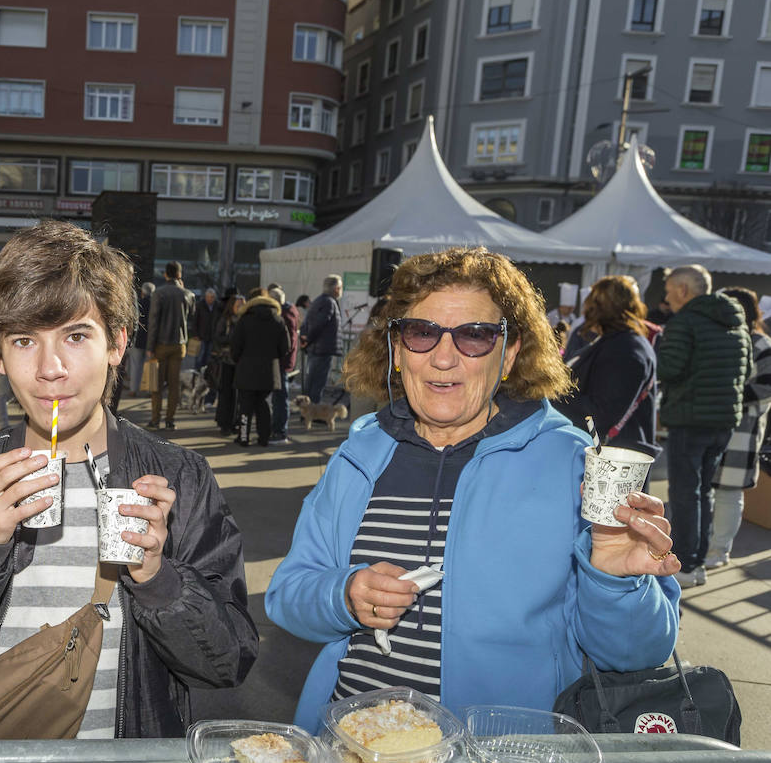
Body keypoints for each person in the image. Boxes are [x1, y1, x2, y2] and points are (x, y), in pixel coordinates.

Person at [265, 247, 681, 728]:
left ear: (509, 355)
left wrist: (616, 582)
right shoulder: (360, 455)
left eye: (475, 336)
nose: (444, 358)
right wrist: (344, 595)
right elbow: (288, 594)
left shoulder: (574, 464)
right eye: (422, 333)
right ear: (397, 350)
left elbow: (636, 653)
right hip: (353, 754)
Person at [0, 220, 257, 739]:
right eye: (24, 340)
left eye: (76, 336)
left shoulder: (177, 478)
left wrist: (158, 577)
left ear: (116, 344)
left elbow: (226, 662)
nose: (51, 368)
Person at [658, 264, 752, 588]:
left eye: (670, 290)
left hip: (690, 417)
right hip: (724, 419)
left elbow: (668, 369)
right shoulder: (737, 323)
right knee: (703, 492)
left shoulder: (685, 322)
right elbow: (747, 369)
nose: (666, 297)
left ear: (684, 290)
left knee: (685, 493)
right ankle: (697, 563)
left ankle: (685, 563)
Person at [553, 275, 658, 453]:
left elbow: (600, 412)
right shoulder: (617, 340)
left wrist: (552, 393)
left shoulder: (626, 349)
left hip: (615, 458)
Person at [709, 287, 771, 569]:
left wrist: (724, 394)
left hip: (742, 429)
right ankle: (700, 547)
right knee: (704, 490)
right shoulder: (718, 338)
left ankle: (719, 549)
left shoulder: (762, 344)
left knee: (728, 492)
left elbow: (764, 389)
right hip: (709, 425)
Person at [230, 288, 289, 447]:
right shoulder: (278, 319)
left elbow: (235, 346)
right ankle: (264, 438)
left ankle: (243, 437)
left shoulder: (244, 319)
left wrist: (239, 360)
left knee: (245, 407)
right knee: (264, 405)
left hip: (246, 369)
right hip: (269, 370)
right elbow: (285, 347)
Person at [146, 260, 192, 430]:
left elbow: (153, 321)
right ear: (179, 275)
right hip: (179, 344)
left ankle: (155, 419)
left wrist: (150, 347)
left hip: (161, 344)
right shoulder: (187, 294)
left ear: (165, 274)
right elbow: (190, 316)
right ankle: (170, 420)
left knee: (156, 384)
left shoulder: (159, 293)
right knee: (174, 385)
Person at [300, 274, 343, 401]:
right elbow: (317, 324)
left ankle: (308, 411)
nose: (341, 291)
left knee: (312, 381)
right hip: (321, 350)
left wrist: (306, 340)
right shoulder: (328, 302)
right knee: (317, 383)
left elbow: (307, 323)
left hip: (316, 348)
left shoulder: (319, 300)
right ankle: (313, 412)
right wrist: (308, 340)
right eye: (340, 287)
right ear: (336, 288)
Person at [212, 291, 244, 434]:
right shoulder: (225, 319)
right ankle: (224, 423)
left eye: (243, 304)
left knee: (238, 395)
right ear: (232, 306)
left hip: (240, 361)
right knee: (226, 394)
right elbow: (218, 338)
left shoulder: (245, 319)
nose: (241, 307)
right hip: (226, 360)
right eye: (238, 305)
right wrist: (232, 338)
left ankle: (235, 422)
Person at [270, 286, 299, 444]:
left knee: (280, 398)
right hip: (285, 360)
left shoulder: (284, 315)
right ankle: (279, 430)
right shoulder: (290, 312)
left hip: (282, 361)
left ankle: (280, 432)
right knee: (280, 397)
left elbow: (287, 343)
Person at [128, 281, 154, 397]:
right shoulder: (156, 304)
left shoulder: (138, 303)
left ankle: (133, 389)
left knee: (135, 365)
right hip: (152, 340)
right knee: (150, 366)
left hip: (138, 339)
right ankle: (149, 390)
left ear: (143, 292)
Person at [193, 287, 220, 369]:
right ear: (206, 297)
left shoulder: (217, 306)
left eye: (213, 297)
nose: (211, 299)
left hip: (212, 336)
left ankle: (206, 374)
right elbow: (195, 320)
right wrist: (196, 334)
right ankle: (197, 373)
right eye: (209, 297)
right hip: (201, 335)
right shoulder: (200, 305)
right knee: (200, 357)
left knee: (209, 357)